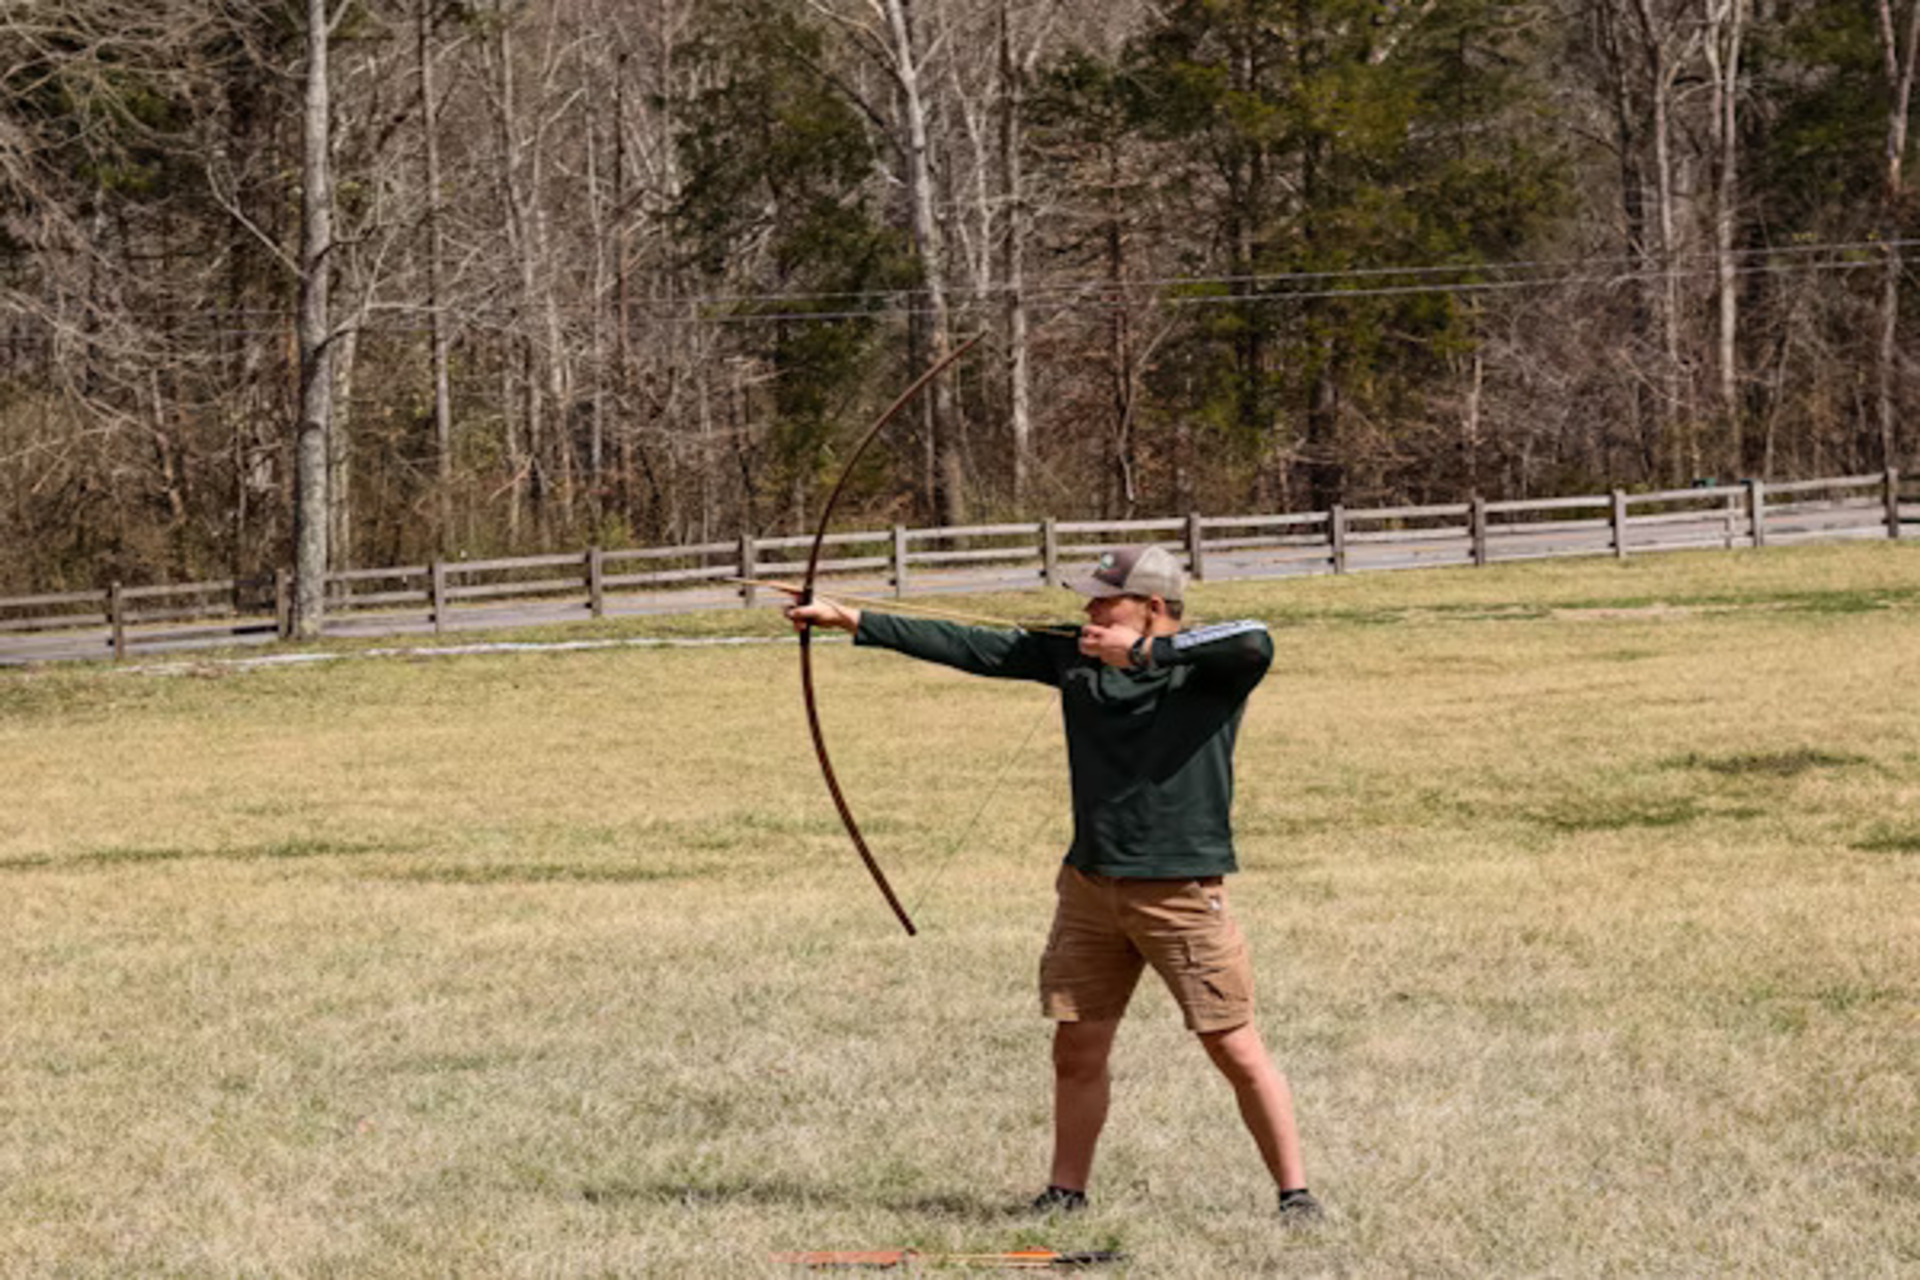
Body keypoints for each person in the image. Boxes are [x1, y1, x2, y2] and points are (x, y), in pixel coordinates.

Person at [785, 545, 1320, 1222]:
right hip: (1088, 887)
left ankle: (1295, 1196)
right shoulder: (1075, 655)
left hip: (1180, 891)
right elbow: (971, 645)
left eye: (1104, 599)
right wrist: (850, 618)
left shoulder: (1211, 669)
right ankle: (1066, 1193)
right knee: (1076, 1047)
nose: (1089, 609)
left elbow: (1254, 637)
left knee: (1232, 1045)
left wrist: (1143, 653)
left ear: (1153, 606)